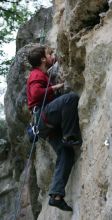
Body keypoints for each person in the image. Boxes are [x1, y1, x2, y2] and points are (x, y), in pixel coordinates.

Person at [27, 45, 82, 211]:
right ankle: (69, 136)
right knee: (70, 98)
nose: (53, 55)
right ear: (43, 59)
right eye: (50, 54)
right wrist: (54, 88)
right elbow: (36, 94)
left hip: (46, 125)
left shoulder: (41, 73)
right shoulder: (36, 74)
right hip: (43, 116)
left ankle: (56, 196)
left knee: (66, 154)